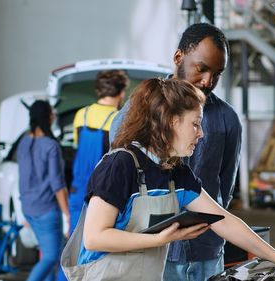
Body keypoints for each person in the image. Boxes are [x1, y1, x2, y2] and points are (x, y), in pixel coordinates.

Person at [61, 78, 275, 281]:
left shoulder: (175, 172)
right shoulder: (120, 165)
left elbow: (224, 221)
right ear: (171, 122)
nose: (201, 134)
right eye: (195, 124)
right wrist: (159, 240)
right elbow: (95, 237)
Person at [109, 23, 242, 280]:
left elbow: (223, 190)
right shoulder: (135, 113)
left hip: (207, 252)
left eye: (217, 74)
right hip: (153, 252)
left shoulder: (227, 120)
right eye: (201, 69)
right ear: (178, 58)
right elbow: (119, 187)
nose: (208, 81)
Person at [69, 70, 129, 234]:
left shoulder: (81, 114)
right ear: (121, 92)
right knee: (97, 244)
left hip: (77, 188)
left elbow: (76, 149)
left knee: (74, 244)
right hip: (102, 190)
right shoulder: (120, 119)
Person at [17, 100, 70, 281]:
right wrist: (67, 213)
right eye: (52, 114)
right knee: (51, 257)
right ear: (48, 118)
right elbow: (57, 184)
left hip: (29, 207)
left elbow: (23, 176)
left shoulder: (24, 142)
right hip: (46, 209)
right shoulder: (50, 145)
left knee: (48, 254)